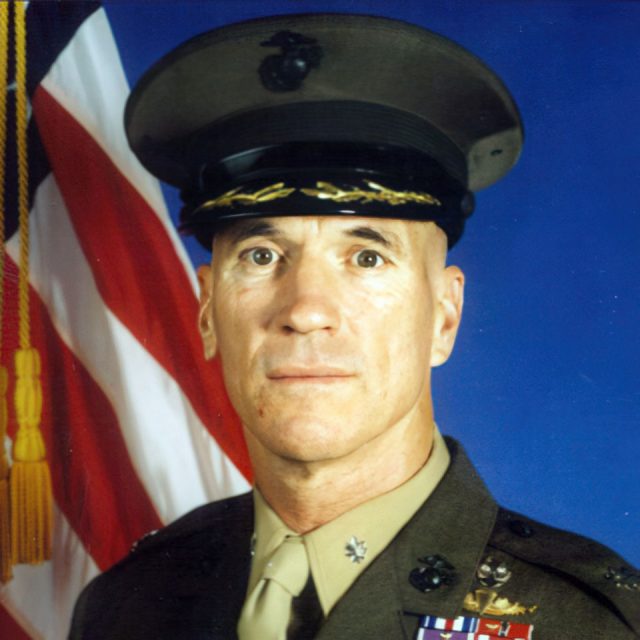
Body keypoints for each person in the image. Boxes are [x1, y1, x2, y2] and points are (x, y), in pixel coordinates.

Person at [69, 13, 639, 640]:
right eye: (262, 257)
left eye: (367, 258)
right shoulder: (125, 607)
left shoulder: (584, 625)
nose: (306, 311)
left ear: (443, 317)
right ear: (207, 311)